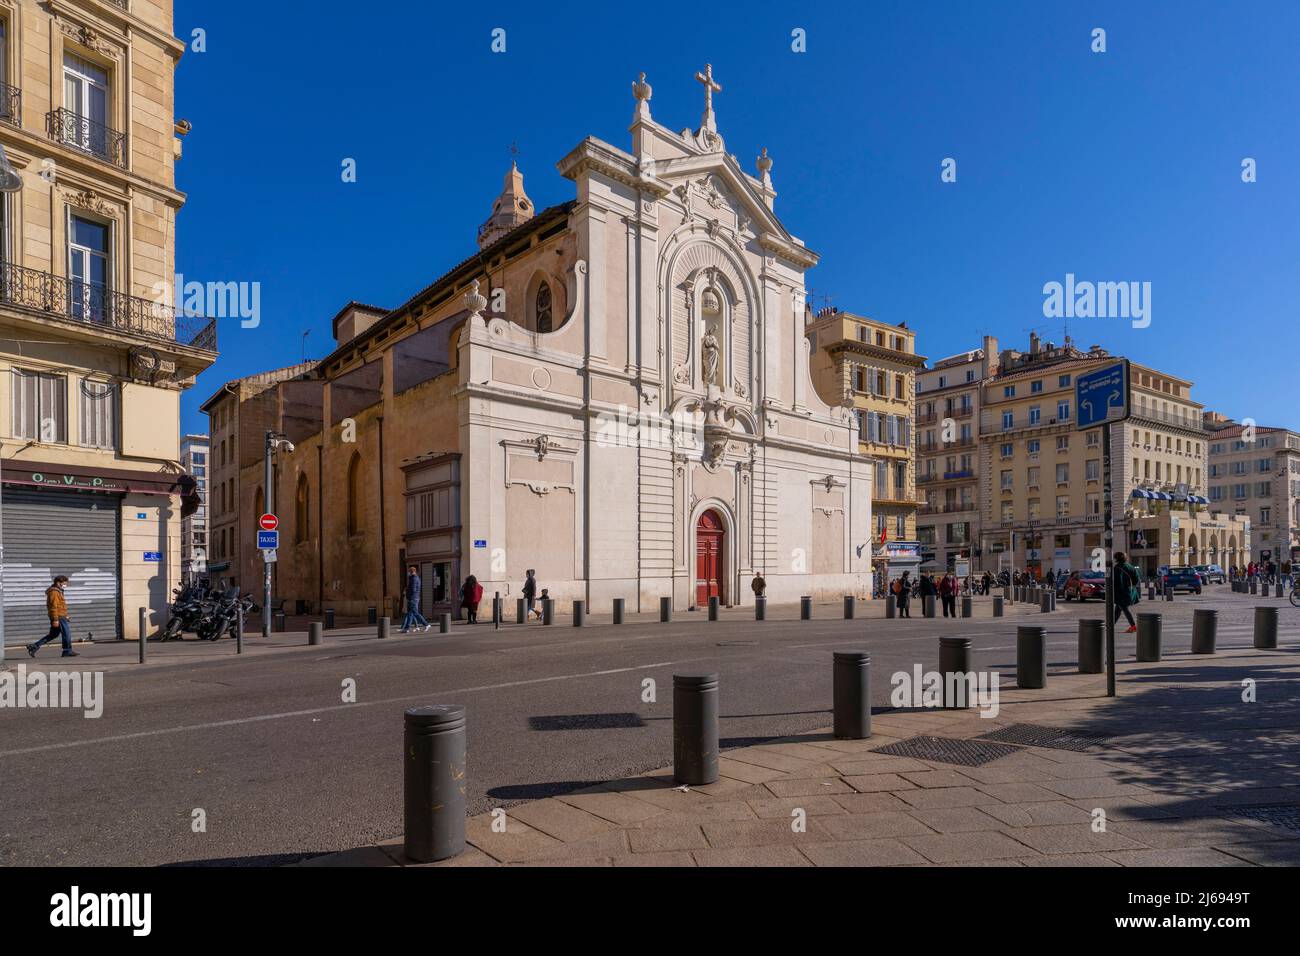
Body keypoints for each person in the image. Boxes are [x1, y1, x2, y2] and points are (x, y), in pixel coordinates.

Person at [28, 574, 77, 658]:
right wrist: (55, 619)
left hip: (61, 616)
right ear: (58, 583)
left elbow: (60, 606)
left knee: (53, 634)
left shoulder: (58, 591)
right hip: (58, 617)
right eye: (64, 583)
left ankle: (34, 646)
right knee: (66, 634)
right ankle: (67, 651)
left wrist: (66, 616)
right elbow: (53, 607)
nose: (66, 585)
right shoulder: (54, 593)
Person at [1112, 551, 1139, 633]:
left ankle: (1133, 626)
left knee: (1124, 608)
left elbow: (1116, 582)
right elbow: (1136, 580)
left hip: (1120, 593)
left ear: (1116, 559)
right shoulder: (1131, 567)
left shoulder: (1117, 568)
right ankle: (1110, 625)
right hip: (1130, 592)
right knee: (1117, 610)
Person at [400, 566, 431, 633]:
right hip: (414, 598)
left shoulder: (414, 579)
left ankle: (426, 624)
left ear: (412, 572)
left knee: (415, 613)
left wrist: (407, 592)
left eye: (409, 572)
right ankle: (406, 628)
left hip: (413, 598)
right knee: (410, 614)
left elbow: (413, 589)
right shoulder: (415, 578)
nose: (408, 573)